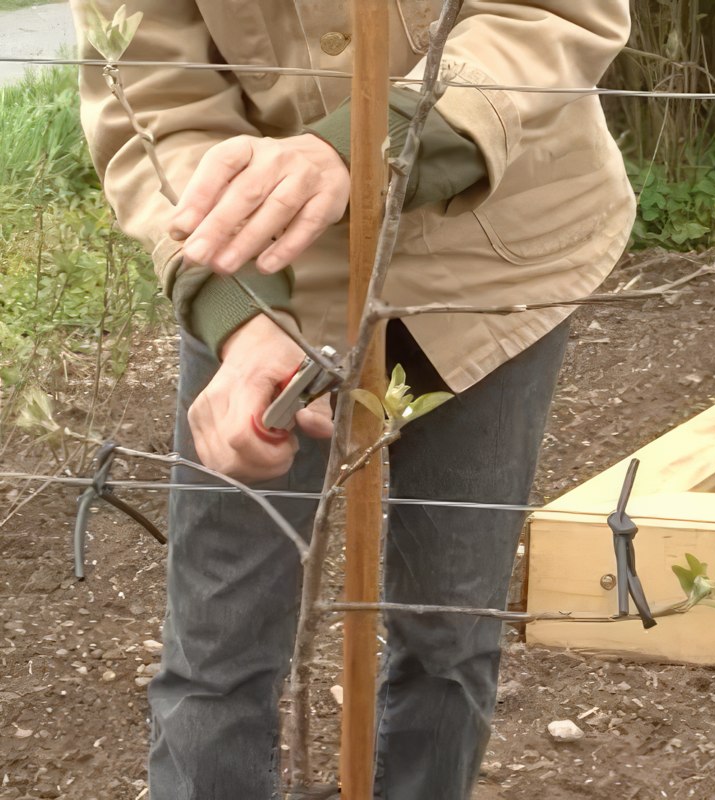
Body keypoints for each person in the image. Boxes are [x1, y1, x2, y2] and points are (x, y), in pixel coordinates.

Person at [70, 2, 635, 798]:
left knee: (449, 633)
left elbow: (548, 15)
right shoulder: (250, 301)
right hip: (265, 264)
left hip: (495, 266)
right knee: (217, 650)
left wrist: (366, 143)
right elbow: (157, 99)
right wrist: (242, 318)